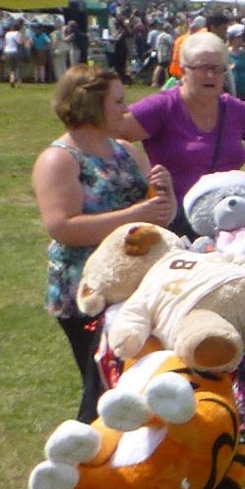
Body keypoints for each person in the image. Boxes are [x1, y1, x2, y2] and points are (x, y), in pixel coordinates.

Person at [32, 64, 176, 422]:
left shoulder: (128, 150)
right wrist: (133, 215)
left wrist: (166, 195)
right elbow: (61, 226)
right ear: (90, 105)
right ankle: (80, 460)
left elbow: (159, 216)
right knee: (101, 384)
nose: (126, 109)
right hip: (86, 290)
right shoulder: (59, 159)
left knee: (134, 380)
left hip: (135, 285)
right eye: (118, 102)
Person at [115, 32, 245, 235]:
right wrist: (143, 175)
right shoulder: (162, 107)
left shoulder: (233, 108)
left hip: (229, 224)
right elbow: (112, 134)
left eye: (218, 69)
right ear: (184, 71)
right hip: (175, 225)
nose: (211, 75)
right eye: (203, 68)